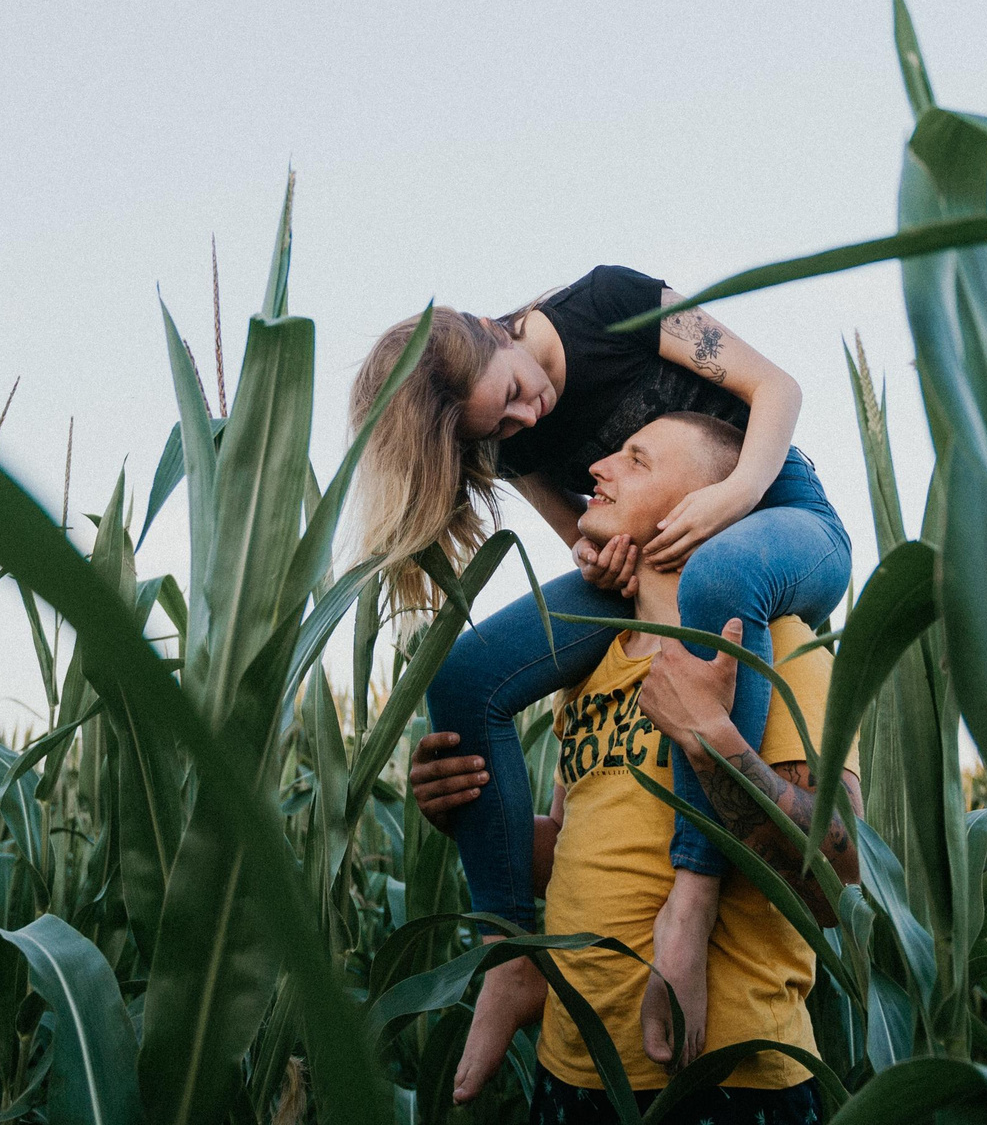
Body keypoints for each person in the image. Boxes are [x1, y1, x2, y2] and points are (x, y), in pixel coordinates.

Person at [350, 268, 851, 1087]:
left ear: (495, 328)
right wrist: (599, 556)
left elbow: (777, 388)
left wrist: (735, 497)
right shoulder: (512, 439)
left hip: (781, 513)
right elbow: (585, 537)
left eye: (513, 394)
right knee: (466, 675)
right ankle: (510, 956)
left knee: (721, 578)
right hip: (669, 550)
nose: (525, 418)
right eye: (499, 426)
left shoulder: (609, 304)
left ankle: (692, 900)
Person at [409, 413, 863, 1121]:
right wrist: (467, 807)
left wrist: (713, 742)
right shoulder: (588, 669)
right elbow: (566, 854)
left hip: (724, 1077)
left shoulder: (781, 653)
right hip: (571, 1065)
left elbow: (839, 888)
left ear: (707, 506)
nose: (599, 468)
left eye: (637, 459)